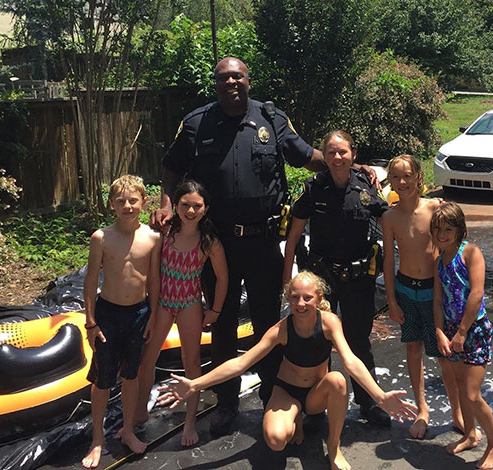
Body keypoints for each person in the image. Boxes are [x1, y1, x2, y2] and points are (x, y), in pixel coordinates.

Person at [150, 57, 376, 436]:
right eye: (224, 77)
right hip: (218, 246)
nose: (231, 82)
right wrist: (165, 205)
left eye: (237, 76)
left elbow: (307, 156)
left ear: (248, 80)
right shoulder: (196, 124)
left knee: (269, 324)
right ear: (216, 83)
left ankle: (274, 394)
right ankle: (226, 403)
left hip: (264, 243)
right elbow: (171, 167)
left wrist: (346, 167)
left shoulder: (271, 119)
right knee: (222, 325)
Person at [158, 271, 417, 470]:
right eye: (294, 297)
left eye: (307, 298)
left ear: (319, 298)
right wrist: (195, 384)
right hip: (287, 392)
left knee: (338, 379)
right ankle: (295, 421)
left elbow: (350, 361)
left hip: (315, 395)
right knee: (276, 440)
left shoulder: (329, 323)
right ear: (288, 298)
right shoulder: (280, 329)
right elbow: (241, 363)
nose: (300, 303)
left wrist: (379, 396)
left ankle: (334, 448)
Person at [283, 130, 391, 426]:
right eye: (331, 152)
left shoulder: (366, 185)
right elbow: (294, 236)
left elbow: (390, 219)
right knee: (317, 340)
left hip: (358, 279)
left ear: (353, 154)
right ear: (325, 156)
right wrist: (287, 280)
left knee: (358, 340)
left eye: (343, 151)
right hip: (322, 279)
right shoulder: (313, 188)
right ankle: (316, 407)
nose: (337, 157)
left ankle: (368, 403)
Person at [135, 180, 228, 447]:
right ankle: (139, 410)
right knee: (147, 357)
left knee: (192, 361)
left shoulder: (209, 242)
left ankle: (189, 421)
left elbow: (223, 277)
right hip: (163, 302)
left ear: (205, 209)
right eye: (185, 205)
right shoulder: (165, 233)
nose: (190, 211)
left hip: (189, 303)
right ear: (175, 205)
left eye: (197, 206)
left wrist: (215, 310)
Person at [81, 175, 162, 469]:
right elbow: (91, 281)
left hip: (138, 314)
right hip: (108, 315)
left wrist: (153, 315)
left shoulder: (153, 238)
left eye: (133, 200)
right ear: (112, 205)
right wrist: (91, 322)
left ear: (144, 201)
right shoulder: (101, 238)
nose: (128, 206)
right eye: (121, 201)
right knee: (103, 378)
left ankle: (127, 430)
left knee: (131, 375)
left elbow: (154, 281)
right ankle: (98, 438)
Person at [381, 155, 463, 439]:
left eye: (407, 176)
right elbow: (388, 261)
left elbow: (453, 243)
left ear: (419, 177)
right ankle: (422, 410)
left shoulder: (434, 208)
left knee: (443, 354)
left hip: (433, 291)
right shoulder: (389, 217)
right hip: (405, 290)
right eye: (396, 176)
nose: (402, 182)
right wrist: (392, 301)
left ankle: (457, 412)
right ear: (390, 180)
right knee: (413, 349)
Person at [431, 202, 493, 469]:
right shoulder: (439, 261)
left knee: (471, 394)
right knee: (460, 386)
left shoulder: (470, 253)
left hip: (475, 330)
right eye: (437, 229)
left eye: (448, 229)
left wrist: (462, 332)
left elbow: (476, 294)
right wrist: (439, 331)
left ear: (459, 229)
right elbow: (438, 300)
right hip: (450, 330)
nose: (442, 235)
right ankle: (470, 435)